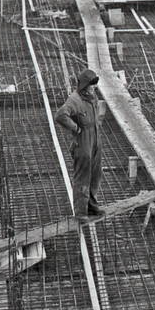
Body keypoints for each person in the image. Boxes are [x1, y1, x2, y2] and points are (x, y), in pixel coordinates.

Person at [55, 68, 105, 220]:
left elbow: (98, 111)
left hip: (95, 138)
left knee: (95, 174)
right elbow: (60, 115)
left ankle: (92, 206)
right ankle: (81, 211)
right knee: (83, 176)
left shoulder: (92, 97)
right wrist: (75, 128)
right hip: (83, 141)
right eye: (91, 85)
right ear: (84, 85)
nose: (94, 88)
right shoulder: (75, 100)